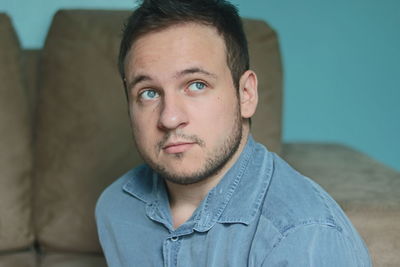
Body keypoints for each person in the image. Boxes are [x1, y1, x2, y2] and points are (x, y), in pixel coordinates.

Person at [95, 0, 371, 266]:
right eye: (149, 93)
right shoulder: (116, 207)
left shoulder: (302, 235)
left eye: (197, 85)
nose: (170, 118)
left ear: (246, 94)